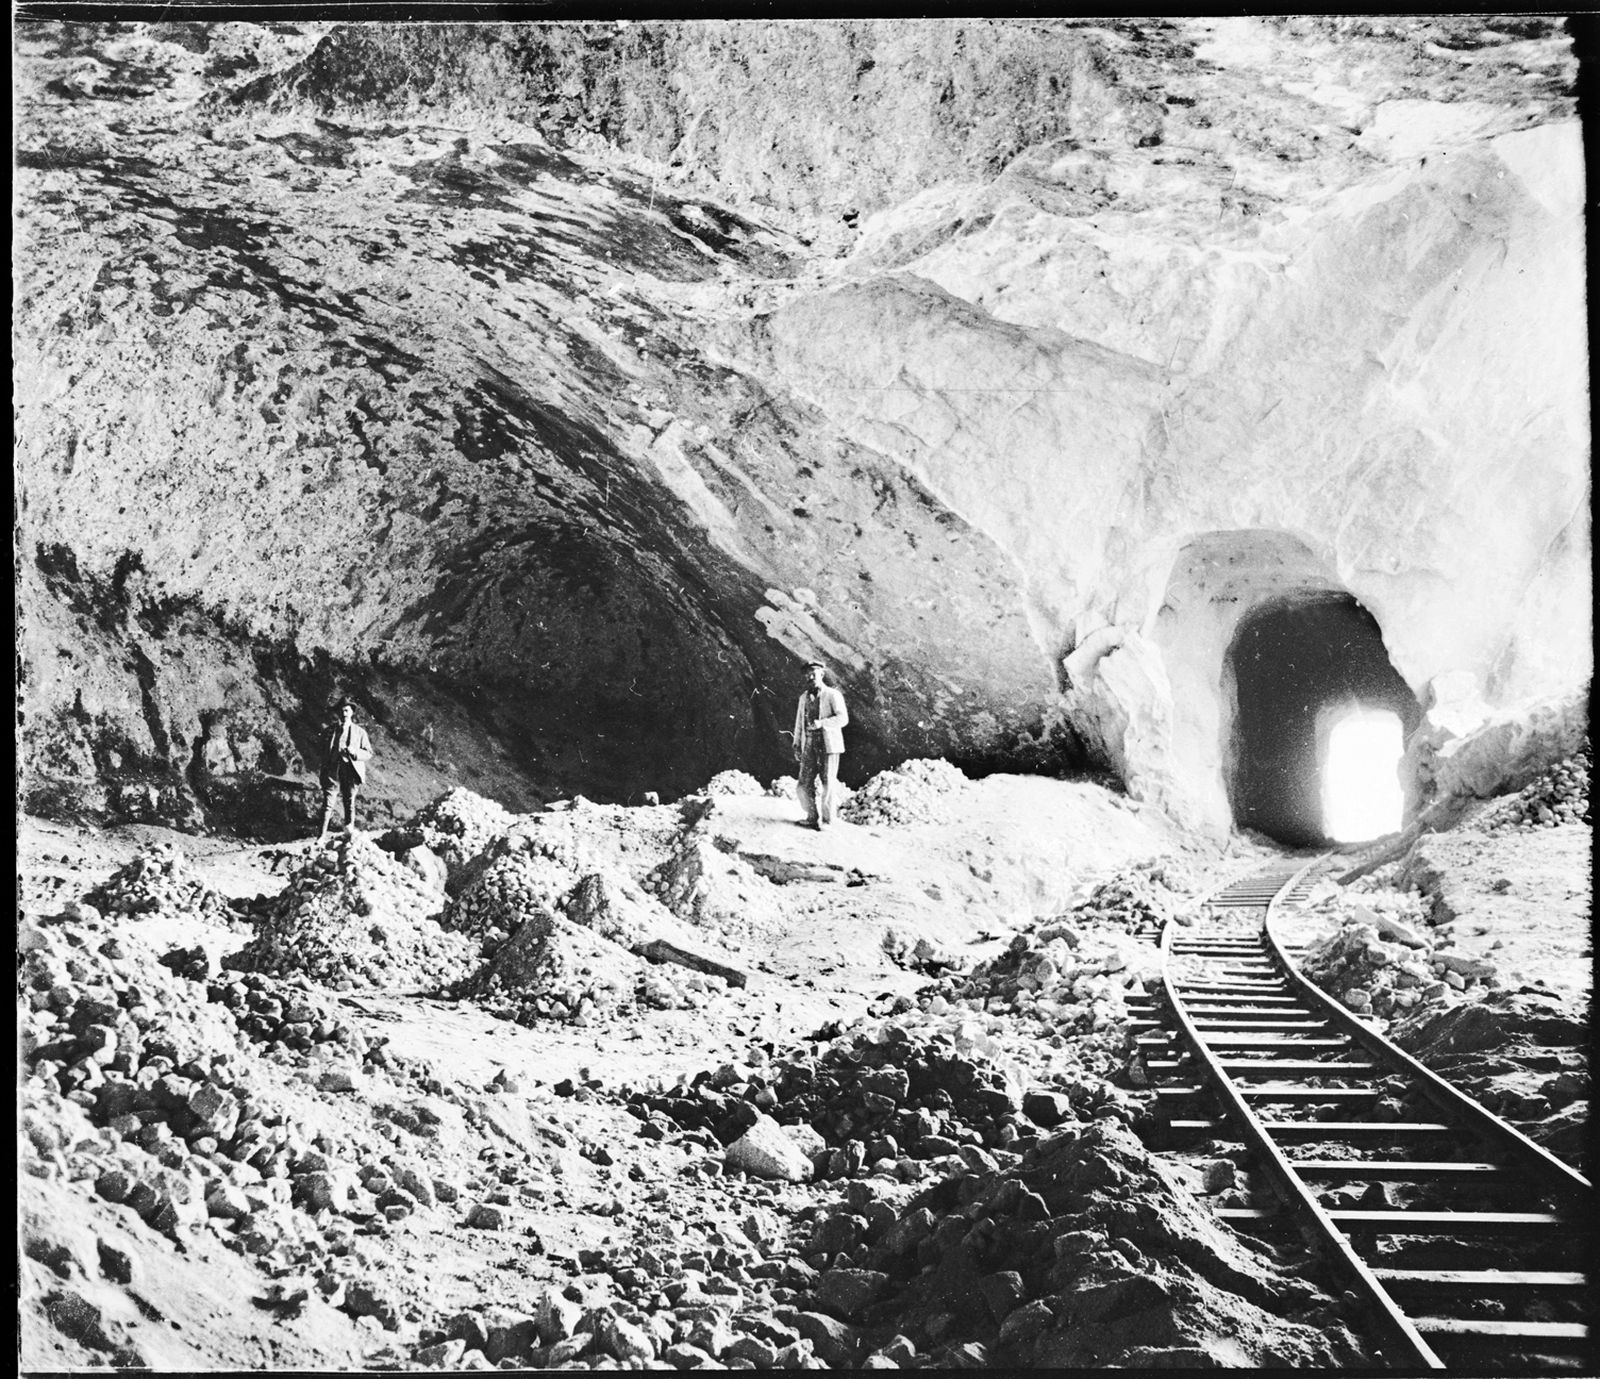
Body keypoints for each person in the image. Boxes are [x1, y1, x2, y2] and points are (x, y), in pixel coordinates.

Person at [792, 662, 848, 830]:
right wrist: (796, 744)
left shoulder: (832, 695)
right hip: (809, 743)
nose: (810, 677)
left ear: (821, 675)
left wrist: (821, 723)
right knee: (803, 783)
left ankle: (827, 821)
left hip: (828, 745)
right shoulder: (803, 698)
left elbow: (843, 719)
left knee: (828, 783)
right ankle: (811, 816)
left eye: (813, 674)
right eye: (807, 675)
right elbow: (799, 723)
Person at [317, 699, 373, 842]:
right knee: (328, 804)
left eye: (347, 710)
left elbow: (368, 753)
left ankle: (349, 833)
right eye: (341, 710)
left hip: (351, 771)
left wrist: (355, 753)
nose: (344, 713)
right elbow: (320, 749)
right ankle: (321, 836)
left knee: (349, 802)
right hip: (332, 772)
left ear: (352, 713)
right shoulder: (329, 731)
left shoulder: (360, 732)